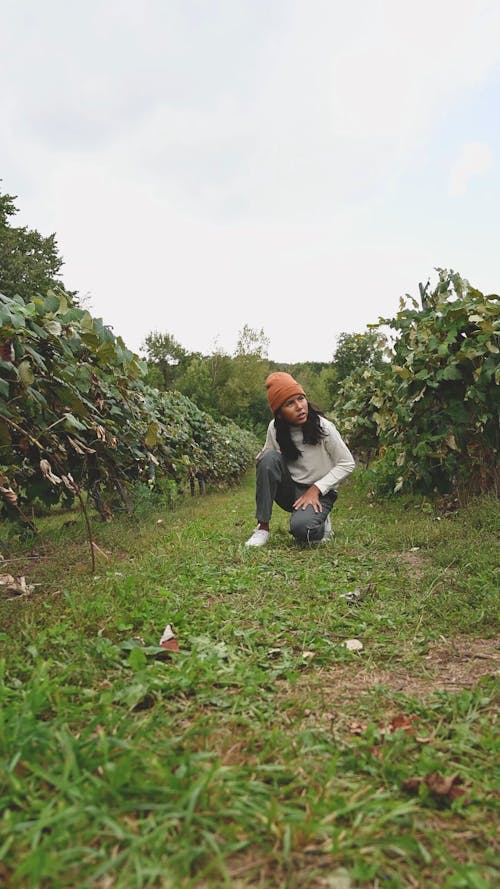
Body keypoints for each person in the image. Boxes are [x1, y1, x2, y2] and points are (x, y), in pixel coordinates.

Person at [245, 372, 355, 547]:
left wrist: (316, 489)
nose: (299, 407)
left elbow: (347, 463)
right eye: (290, 403)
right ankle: (262, 528)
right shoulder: (275, 428)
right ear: (279, 413)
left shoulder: (323, 427)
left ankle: (320, 521)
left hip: (320, 493)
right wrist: (263, 457)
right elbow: (270, 458)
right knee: (267, 459)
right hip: (291, 491)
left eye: (301, 399)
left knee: (304, 532)